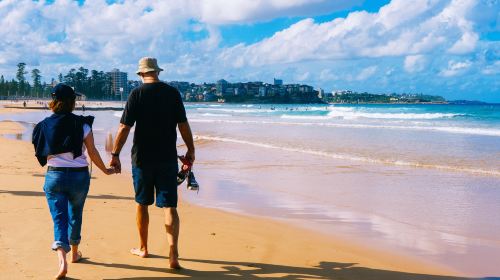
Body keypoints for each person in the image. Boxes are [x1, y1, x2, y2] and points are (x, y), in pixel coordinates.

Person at [110, 57, 195, 269]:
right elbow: (183, 125)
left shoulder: (136, 94)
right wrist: (191, 150)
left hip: (142, 158)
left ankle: (143, 248)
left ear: (141, 74)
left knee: (142, 204)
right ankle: (173, 253)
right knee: (169, 206)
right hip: (166, 158)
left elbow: (124, 128)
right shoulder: (172, 93)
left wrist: (115, 154)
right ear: (157, 72)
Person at [32, 84, 115, 279]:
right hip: (79, 175)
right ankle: (75, 253)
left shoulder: (43, 125)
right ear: (72, 102)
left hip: (55, 175)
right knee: (75, 213)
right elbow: (92, 152)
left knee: (59, 217)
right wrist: (105, 170)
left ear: (54, 101)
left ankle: (62, 260)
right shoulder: (82, 124)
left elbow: (39, 147)